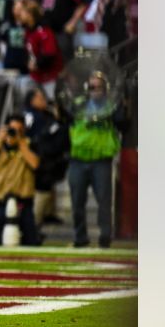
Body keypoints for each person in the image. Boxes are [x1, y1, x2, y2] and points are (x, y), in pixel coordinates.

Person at [58, 71, 124, 248]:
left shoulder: (112, 106)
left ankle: (105, 238)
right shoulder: (78, 104)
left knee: (104, 201)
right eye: (92, 86)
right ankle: (80, 238)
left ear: (105, 88)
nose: (95, 90)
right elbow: (66, 119)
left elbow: (122, 122)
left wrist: (118, 107)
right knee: (77, 201)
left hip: (101, 158)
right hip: (78, 158)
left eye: (98, 86)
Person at [0, 114, 42, 246]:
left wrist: (21, 143)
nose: (15, 133)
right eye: (12, 129)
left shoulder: (30, 143)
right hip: (0, 197)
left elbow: (35, 164)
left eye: (19, 130)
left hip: (23, 199)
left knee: (30, 240)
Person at [22, 87, 69, 226]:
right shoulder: (29, 116)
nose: (44, 101)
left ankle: (41, 219)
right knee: (38, 191)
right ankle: (33, 225)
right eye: (40, 98)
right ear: (32, 100)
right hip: (33, 161)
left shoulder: (47, 116)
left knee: (45, 189)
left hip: (48, 162)